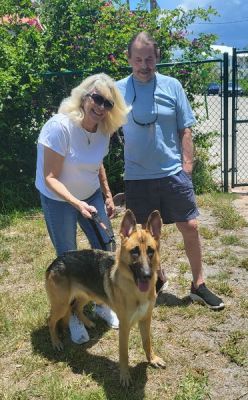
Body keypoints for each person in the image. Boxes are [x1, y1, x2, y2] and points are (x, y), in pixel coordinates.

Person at [117, 31, 224, 310]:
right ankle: (157, 277)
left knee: (190, 225)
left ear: (157, 59)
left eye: (149, 59)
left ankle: (198, 284)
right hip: (137, 176)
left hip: (172, 172)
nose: (144, 65)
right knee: (144, 235)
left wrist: (186, 167)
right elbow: (98, 124)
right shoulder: (116, 90)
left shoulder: (172, 85)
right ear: (129, 59)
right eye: (138, 59)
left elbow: (185, 128)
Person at [35, 73, 130, 344]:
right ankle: (73, 313)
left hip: (90, 194)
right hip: (58, 198)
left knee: (107, 247)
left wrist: (108, 195)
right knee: (68, 257)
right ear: (84, 98)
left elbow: (96, 163)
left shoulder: (103, 131)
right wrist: (77, 204)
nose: (101, 107)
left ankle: (102, 304)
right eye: (97, 99)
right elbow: (51, 176)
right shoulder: (60, 127)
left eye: (108, 103)